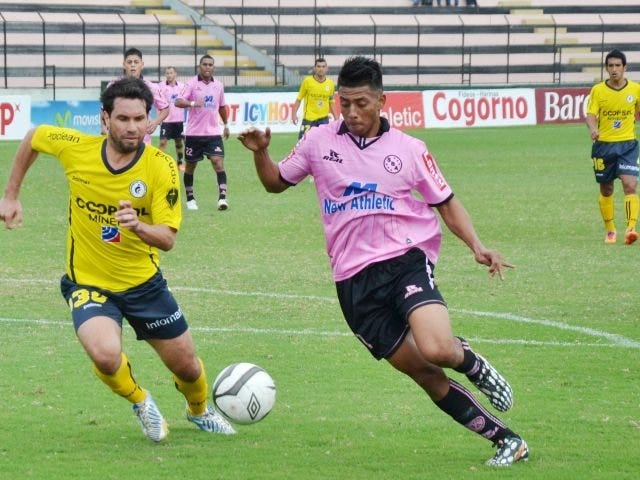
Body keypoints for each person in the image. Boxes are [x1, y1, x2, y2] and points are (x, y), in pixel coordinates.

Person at [238, 56, 529, 467]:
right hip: (353, 282)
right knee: (424, 373)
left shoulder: (410, 150)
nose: (352, 112)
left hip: (404, 259)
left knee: (436, 348)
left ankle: (471, 361)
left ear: (381, 101)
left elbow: (445, 201)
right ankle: (507, 441)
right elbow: (275, 182)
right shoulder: (318, 141)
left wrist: (477, 246)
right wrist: (261, 153)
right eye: (344, 103)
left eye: (361, 103)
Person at [0, 77, 235, 442]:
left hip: (144, 285)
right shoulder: (77, 148)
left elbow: (168, 239)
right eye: (123, 118)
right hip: (88, 283)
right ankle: (140, 401)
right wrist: (11, 195)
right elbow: (34, 136)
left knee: (187, 367)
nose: (132, 127)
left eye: (140, 118)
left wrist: (137, 226)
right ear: (105, 118)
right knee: (106, 355)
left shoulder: (160, 167)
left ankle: (199, 410)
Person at [586, 49, 640, 245]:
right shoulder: (598, 90)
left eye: (618, 65)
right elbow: (591, 115)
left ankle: (631, 229)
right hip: (604, 146)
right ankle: (610, 230)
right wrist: (593, 129)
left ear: (625, 68)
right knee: (607, 189)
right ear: (606, 68)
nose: (614, 69)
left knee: (630, 184)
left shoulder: (635, 89)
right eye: (611, 66)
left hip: (628, 145)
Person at [175, 54, 230, 211]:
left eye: (210, 65)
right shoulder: (191, 84)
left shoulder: (219, 85)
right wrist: (193, 103)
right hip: (194, 134)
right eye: (204, 64)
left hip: (213, 134)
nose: (207, 67)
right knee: (191, 167)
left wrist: (226, 124)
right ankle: (190, 199)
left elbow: (221, 107)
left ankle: (222, 198)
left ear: (213, 67)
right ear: (199, 66)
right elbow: (178, 101)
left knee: (218, 162)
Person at [101, 47, 170, 145]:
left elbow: (165, 108)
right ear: (124, 65)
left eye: (136, 62)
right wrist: (104, 127)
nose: (132, 65)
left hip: (143, 141)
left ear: (142, 65)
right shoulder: (113, 85)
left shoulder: (151, 87)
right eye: (129, 62)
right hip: (119, 141)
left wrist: (155, 123)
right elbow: (104, 110)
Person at [292, 57, 338, 140]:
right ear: (314, 68)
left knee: (324, 144)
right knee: (302, 144)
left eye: (323, 66)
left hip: (324, 120)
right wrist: (294, 114)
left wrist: (336, 118)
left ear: (327, 68)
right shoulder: (307, 81)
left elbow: (331, 101)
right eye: (319, 66)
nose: (321, 69)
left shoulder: (330, 84)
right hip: (309, 120)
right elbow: (299, 99)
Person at [158, 66, 186, 171]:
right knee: (162, 142)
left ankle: (180, 163)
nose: (169, 75)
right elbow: (157, 101)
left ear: (175, 74)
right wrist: (159, 117)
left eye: (171, 73)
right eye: (167, 73)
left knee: (179, 143)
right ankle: (160, 165)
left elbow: (186, 100)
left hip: (178, 120)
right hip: (166, 120)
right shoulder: (161, 86)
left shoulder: (182, 87)